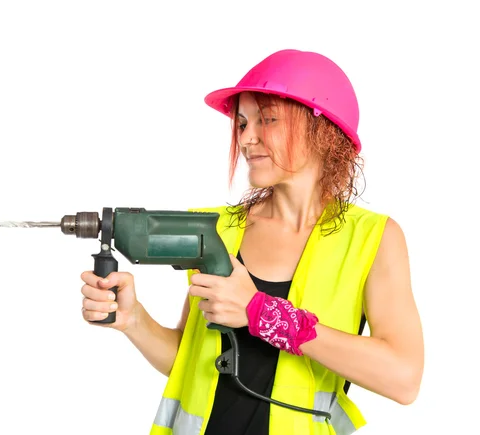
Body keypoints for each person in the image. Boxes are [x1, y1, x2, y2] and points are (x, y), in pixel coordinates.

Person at [79, 49, 424, 435]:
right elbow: (190, 359)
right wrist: (134, 321)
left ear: (323, 129)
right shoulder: (221, 231)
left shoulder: (373, 239)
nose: (247, 138)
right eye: (242, 123)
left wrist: (262, 314)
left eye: (268, 119)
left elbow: (403, 378)